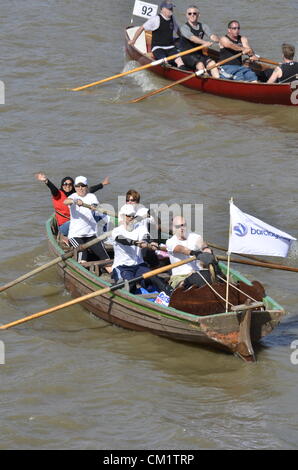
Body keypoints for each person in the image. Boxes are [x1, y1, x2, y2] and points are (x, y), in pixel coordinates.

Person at [111, 204, 171, 295]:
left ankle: (171, 293)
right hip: (122, 267)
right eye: (128, 216)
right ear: (123, 216)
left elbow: (145, 236)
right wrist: (134, 243)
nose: (131, 218)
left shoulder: (140, 227)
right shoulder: (116, 231)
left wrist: (150, 242)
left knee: (155, 280)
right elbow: (122, 240)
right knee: (130, 287)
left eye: (133, 216)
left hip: (138, 265)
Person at [35, 172, 110, 239]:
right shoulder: (58, 194)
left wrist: (102, 184)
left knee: (103, 216)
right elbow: (53, 189)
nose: (67, 186)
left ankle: (104, 237)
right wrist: (46, 181)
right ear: (62, 185)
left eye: (70, 184)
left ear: (73, 186)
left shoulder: (77, 194)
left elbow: (90, 190)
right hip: (65, 226)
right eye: (65, 184)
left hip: (78, 223)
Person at [63, 176, 111, 268]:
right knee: (83, 253)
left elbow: (95, 204)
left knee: (106, 258)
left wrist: (93, 206)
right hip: (75, 235)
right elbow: (65, 201)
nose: (80, 188)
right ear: (75, 187)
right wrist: (75, 201)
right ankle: (83, 267)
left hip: (91, 234)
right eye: (78, 186)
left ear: (86, 187)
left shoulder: (91, 196)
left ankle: (115, 277)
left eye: (83, 186)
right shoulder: (73, 196)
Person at [128, 1, 186, 70]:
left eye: (171, 8)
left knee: (180, 62)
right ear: (162, 9)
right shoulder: (156, 19)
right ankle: (166, 66)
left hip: (170, 47)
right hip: (158, 48)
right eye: (169, 8)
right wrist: (133, 40)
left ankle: (181, 71)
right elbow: (141, 28)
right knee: (165, 62)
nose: (171, 10)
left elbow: (177, 30)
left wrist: (183, 40)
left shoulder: (172, 18)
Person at [166, 215, 215, 289]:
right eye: (178, 226)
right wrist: (194, 253)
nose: (181, 228)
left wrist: (205, 248)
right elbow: (181, 249)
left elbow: (201, 242)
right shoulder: (170, 242)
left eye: (183, 225)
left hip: (198, 272)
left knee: (212, 275)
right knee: (191, 282)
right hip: (180, 276)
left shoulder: (194, 236)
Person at [179, 5, 220, 78]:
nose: (192, 15)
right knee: (200, 64)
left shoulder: (203, 26)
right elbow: (192, 38)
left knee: (212, 63)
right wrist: (205, 43)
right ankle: (207, 81)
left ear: (199, 15)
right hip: (187, 55)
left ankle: (218, 82)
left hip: (199, 54)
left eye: (194, 13)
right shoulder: (184, 28)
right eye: (190, 13)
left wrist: (219, 40)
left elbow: (212, 36)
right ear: (186, 15)